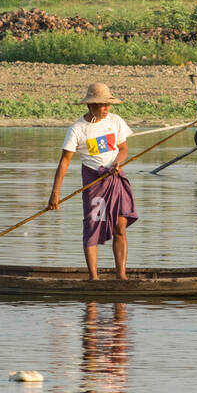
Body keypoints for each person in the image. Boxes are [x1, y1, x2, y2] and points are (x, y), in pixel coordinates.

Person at [48, 83, 137, 280]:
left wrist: (117, 163)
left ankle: (121, 276)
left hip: (115, 179)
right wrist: (55, 192)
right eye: (102, 105)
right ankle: (93, 278)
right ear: (90, 106)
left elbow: (123, 149)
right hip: (94, 183)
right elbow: (64, 161)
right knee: (92, 227)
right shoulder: (77, 129)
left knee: (120, 226)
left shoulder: (115, 121)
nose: (106, 109)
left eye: (108, 104)